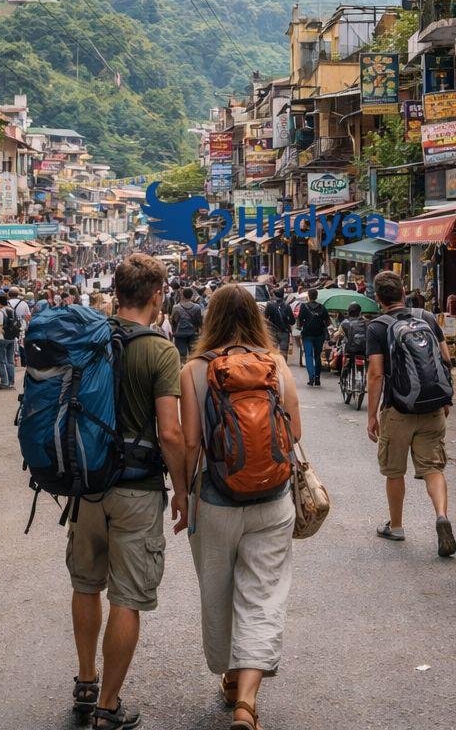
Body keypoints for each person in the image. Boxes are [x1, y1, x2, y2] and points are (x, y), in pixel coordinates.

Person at [67, 254, 188, 729]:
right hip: (137, 489)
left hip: (87, 484)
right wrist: (181, 490)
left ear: (116, 292)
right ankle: (108, 706)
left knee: (85, 584)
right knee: (127, 597)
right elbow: (172, 433)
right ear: (157, 295)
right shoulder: (160, 350)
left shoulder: (89, 338)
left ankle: (84, 681)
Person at [179, 284, 302, 730]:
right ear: (257, 317)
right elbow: (297, 433)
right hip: (273, 499)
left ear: (210, 319)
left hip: (213, 499)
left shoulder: (193, 369)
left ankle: (230, 676)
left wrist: (181, 494)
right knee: (263, 594)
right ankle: (247, 701)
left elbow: (191, 443)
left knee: (218, 591)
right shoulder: (277, 365)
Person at [366, 270, 456, 557]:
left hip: (397, 409)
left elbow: (376, 374)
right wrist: (445, 396)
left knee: (394, 471)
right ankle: (441, 515)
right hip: (432, 407)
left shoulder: (377, 327)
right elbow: (445, 358)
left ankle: (397, 526)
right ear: (404, 291)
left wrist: (371, 415)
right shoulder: (427, 318)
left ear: (378, 298)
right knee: (433, 468)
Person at [296, 288, 330, 386]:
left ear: (309, 296)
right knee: (317, 356)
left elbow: (300, 320)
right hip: (319, 335)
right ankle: (317, 378)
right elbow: (327, 322)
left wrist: (299, 327)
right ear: (316, 296)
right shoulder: (322, 307)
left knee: (308, 356)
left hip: (307, 335)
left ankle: (311, 377)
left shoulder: (304, 306)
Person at [170, 287, 205, 361]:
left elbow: (173, 321)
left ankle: (183, 368)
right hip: (193, 333)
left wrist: (174, 331)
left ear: (182, 295)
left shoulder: (176, 307)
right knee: (193, 355)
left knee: (181, 356)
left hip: (180, 334)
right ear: (192, 295)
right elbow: (199, 321)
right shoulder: (197, 307)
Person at [264, 290, 293, 356]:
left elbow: (265, 318)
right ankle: (282, 365)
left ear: (275, 295)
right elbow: (292, 321)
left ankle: (274, 365)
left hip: (272, 331)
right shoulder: (287, 306)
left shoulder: (269, 305)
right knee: (283, 352)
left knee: (273, 352)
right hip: (284, 332)